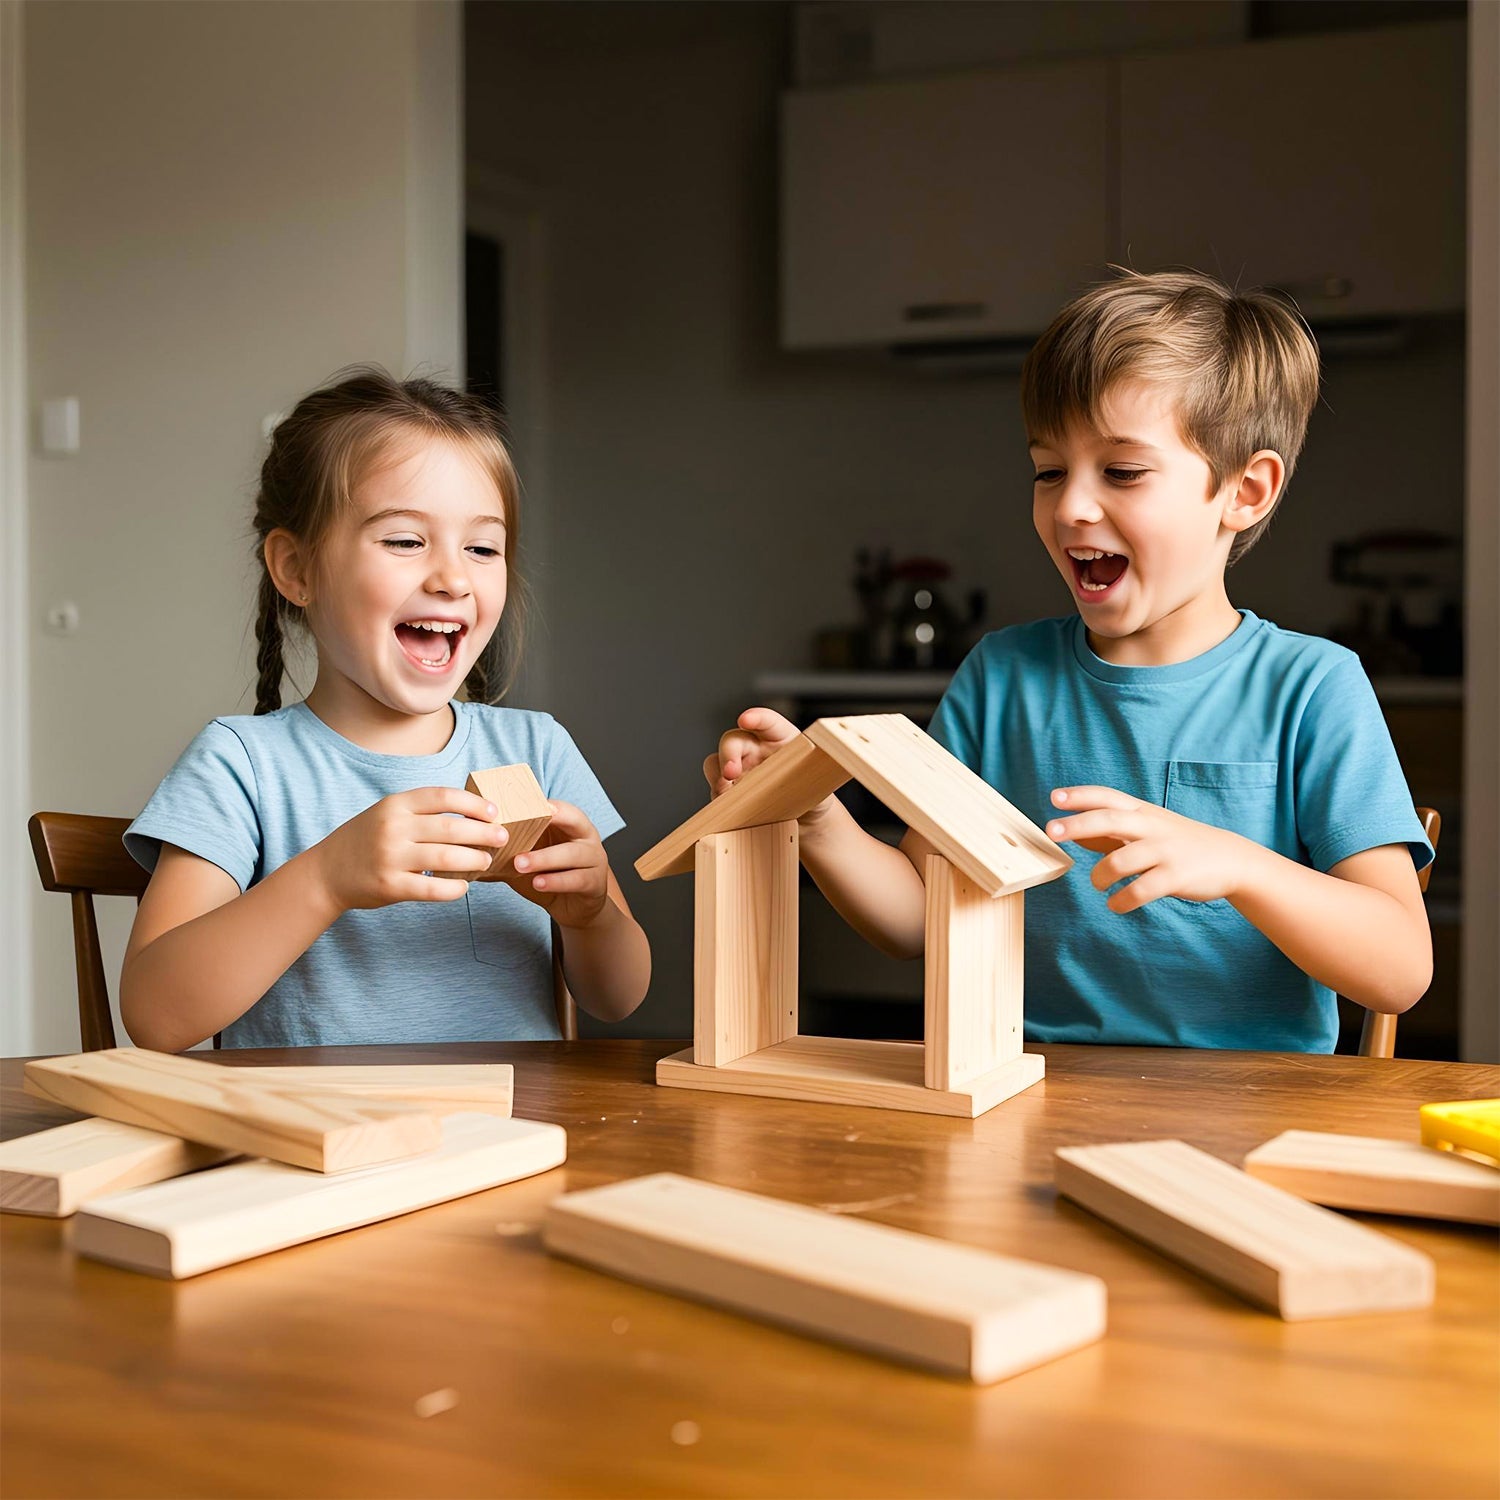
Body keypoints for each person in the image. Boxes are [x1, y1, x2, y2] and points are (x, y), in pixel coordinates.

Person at [707, 271, 1432, 1052]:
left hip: (1255, 1103)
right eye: (1049, 471)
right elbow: (918, 919)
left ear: (1245, 492)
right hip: (1034, 1088)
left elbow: (1399, 969)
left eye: (1122, 471)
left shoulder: (1312, 688)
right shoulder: (1000, 680)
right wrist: (816, 817)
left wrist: (1239, 866)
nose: (1070, 507)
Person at [122, 369, 650, 1050]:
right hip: (311, 1121)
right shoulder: (241, 765)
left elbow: (618, 998)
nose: (453, 578)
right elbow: (155, 1018)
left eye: (482, 548)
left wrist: (591, 916)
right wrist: (325, 878)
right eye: (405, 540)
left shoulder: (537, 749)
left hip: (516, 1117)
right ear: (297, 569)